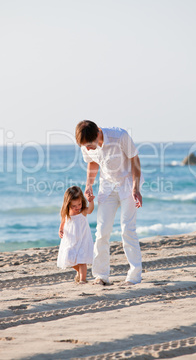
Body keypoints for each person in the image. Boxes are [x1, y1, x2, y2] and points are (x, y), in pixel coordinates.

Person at [75, 120, 144, 286]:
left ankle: (134, 276)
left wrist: (136, 188)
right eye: (85, 147)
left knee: (127, 229)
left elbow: (135, 160)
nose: (89, 149)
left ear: (98, 132)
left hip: (128, 184)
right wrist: (89, 185)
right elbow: (92, 162)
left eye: (90, 146)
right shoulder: (86, 145)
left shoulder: (119, 136)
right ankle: (101, 275)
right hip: (107, 187)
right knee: (102, 231)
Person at [57, 185, 94, 284]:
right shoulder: (67, 212)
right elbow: (63, 221)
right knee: (68, 257)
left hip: (83, 239)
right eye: (74, 206)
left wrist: (90, 201)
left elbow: (90, 210)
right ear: (68, 204)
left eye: (79, 204)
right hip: (71, 239)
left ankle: (82, 280)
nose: (77, 207)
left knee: (82, 260)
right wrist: (60, 229)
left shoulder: (82, 211)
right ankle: (79, 272)